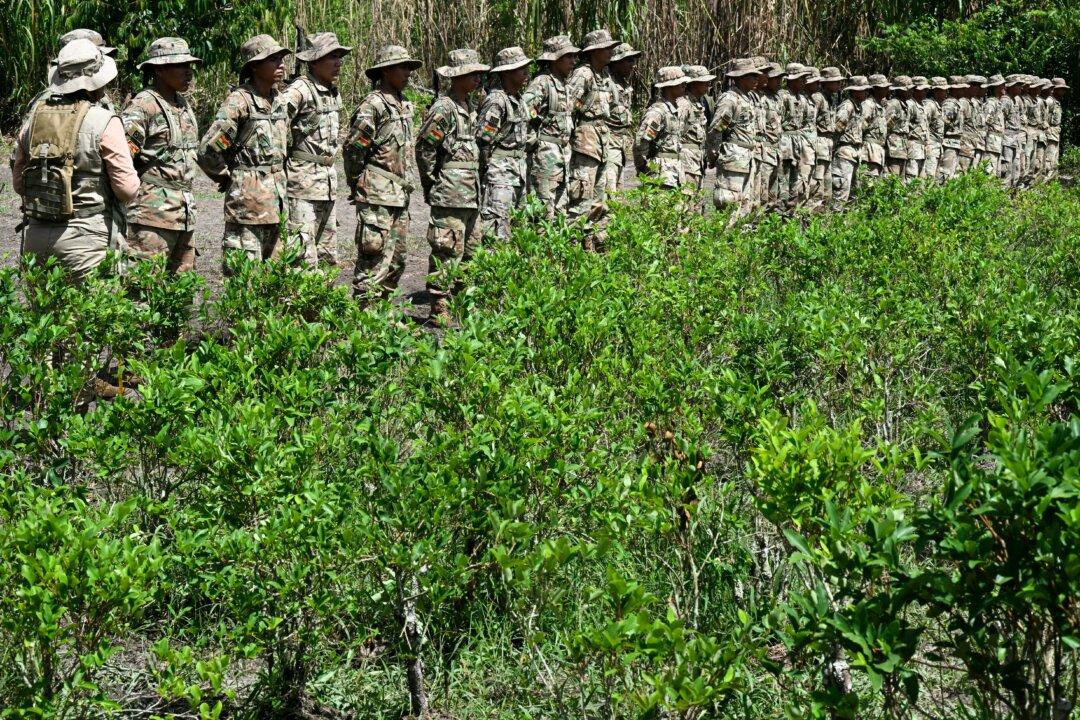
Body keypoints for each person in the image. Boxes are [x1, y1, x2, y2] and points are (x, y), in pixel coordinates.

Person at [13, 39, 138, 284]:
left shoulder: (33, 120)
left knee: (45, 318)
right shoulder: (104, 121)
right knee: (93, 319)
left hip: (36, 237)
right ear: (97, 81)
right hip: (86, 240)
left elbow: (19, 184)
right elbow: (127, 189)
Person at [197, 35, 290, 271]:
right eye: (273, 59)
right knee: (244, 280)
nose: (281, 64)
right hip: (247, 210)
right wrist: (228, 177)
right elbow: (208, 149)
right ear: (255, 66)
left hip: (277, 206)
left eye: (281, 58)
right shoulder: (239, 102)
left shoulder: (279, 100)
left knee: (276, 282)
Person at [416, 49, 488, 322]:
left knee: (471, 251)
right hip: (450, 193)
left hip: (470, 194)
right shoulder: (444, 108)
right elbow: (425, 148)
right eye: (472, 74)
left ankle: (463, 302)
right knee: (446, 250)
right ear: (457, 77)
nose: (478, 78)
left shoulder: (468, 106)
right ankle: (439, 306)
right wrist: (432, 183)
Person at [344, 45, 421, 299]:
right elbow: (354, 149)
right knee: (373, 259)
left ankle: (384, 316)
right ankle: (366, 320)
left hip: (399, 195)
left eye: (409, 67)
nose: (408, 72)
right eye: (403, 67)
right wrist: (357, 182)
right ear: (386, 71)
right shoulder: (373, 105)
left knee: (397, 261)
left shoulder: (403, 105)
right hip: (377, 196)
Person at [121, 37, 202, 272]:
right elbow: (122, 158)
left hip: (184, 216)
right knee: (142, 293)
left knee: (181, 294)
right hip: (150, 218)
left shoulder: (182, 103)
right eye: (181, 66)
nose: (189, 72)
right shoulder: (143, 106)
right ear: (159, 69)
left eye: (190, 66)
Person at [281, 32, 352, 268]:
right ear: (313, 61)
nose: (337, 62)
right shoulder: (298, 91)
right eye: (331, 57)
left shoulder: (332, 91)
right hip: (302, 185)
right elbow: (275, 127)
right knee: (302, 257)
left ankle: (323, 304)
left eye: (339, 56)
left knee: (327, 255)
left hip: (327, 184)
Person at [567, 29, 618, 248]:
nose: (610, 51)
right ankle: (573, 248)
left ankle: (593, 245)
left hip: (602, 140)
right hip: (586, 141)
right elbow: (569, 107)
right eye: (606, 48)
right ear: (594, 51)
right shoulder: (583, 74)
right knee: (582, 197)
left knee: (599, 199)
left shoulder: (604, 76)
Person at [476, 46, 531, 243]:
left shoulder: (517, 98)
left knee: (518, 232)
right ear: (506, 72)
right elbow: (483, 141)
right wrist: (486, 172)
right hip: (499, 176)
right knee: (496, 233)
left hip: (517, 174)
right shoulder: (497, 101)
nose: (525, 72)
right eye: (519, 68)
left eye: (526, 67)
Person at [522, 35, 578, 217]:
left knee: (561, 208)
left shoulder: (564, 84)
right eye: (568, 56)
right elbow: (525, 109)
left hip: (563, 152)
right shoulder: (543, 82)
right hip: (546, 153)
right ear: (555, 60)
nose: (573, 61)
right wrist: (536, 123)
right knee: (543, 208)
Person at [707, 57, 763, 221]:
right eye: (752, 76)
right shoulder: (729, 99)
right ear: (740, 78)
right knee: (729, 205)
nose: (756, 79)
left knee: (745, 206)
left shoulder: (747, 98)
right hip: (733, 159)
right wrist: (715, 154)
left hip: (746, 158)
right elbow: (716, 130)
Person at [633, 66, 686, 189]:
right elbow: (641, 143)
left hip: (674, 173)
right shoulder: (657, 112)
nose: (684, 86)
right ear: (668, 87)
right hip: (660, 175)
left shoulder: (673, 110)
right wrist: (644, 169)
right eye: (680, 83)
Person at [603, 42, 641, 194]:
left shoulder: (624, 85)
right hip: (608, 145)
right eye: (628, 60)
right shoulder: (606, 83)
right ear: (616, 61)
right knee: (608, 192)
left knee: (617, 194)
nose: (633, 65)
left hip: (619, 147)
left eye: (633, 60)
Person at [678, 65, 716, 198]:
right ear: (692, 84)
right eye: (704, 82)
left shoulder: (700, 103)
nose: (708, 85)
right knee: (686, 201)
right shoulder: (683, 104)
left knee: (696, 202)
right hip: (686, 161)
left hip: (697, 159)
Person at [831, 75, 867, 209]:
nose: (865, 93)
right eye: (863, 90)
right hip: (845, 151)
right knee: (841, 191)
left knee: (854, 192)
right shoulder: (847, 106)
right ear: (855, 91)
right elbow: (837, 128)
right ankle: (834, 222)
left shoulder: (859, 107)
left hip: (855, 152)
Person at [809, 67, 841, 205]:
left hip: (828, 144)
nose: (838, 85)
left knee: (827, 186)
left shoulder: (831, 99)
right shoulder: (818, 98)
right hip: (819, 142)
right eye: (835, 82)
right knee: (817, 182)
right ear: (826, 83)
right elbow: (810, 122)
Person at [778, 63, 809, 207]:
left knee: (794, 183)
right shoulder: (783, 96)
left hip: (796, 144)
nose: (804, 82)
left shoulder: (802, 98)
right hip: (784, 144)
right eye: (801, 79)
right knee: (782, 181)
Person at [754, 62, 784, 207]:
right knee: (761, 194)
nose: (779, 82)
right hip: (764, 151)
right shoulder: (758, 98)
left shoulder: (777, 98)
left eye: (780, 78)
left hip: (776, 151)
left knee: (774, 196)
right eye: (775, 78)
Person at [940, 77, 967, 181]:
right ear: (955, 89)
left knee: (952, 175)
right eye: (962, 88)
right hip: (949, 144)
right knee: (945, 175)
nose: (964, 90)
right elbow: (943, 125)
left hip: (954, 143)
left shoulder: (956, 103)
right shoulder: (950, 104)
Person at [863, 74, 889, 179]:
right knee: (868, 183)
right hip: (869, 151)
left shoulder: (880, 106)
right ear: (875, 89)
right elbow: (860, 127)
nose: (887, 89)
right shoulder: (868, 105)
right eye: (883, 88)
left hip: (878, 151)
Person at [885, 76, 911, 178]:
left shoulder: (904, 104)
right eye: (908, 89)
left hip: (901, 148)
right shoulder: (893, 104)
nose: (911, 91)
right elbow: (886, 126)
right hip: (893, 148)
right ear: (900, 91)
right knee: (892, 178)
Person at [1001, 74, 1025, 187]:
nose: (1020, 88)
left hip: (1015, 139)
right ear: (1010, 86)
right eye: (1018, 85)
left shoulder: (1015, 100)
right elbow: (1000, 120)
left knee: (1015, 168)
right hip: (1006, 139)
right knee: (1006, 168)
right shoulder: (1005, 100)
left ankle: (1011, 195)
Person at [922, 77, 947, 182]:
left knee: (935, 180)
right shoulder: (930, 105)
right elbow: (923, 124)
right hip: (930, 147)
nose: (946, 92)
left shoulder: (938, 106)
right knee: (929, 178)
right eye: (943, 90)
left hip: (937, 147)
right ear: (936, 91)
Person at [982, 74, 1006, 178]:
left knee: (995, 174)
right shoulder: (991, 103)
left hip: (996, 144)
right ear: (996, 87)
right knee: (988, 174)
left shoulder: (997, 102)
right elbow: (986, 122)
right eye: (1002, 85)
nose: (1005, 88)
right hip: (991, 144)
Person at [905, 77, 929, 181]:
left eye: (926, 89)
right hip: (913, 147)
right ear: (915, 90)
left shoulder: (922, 105)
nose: (925, 92)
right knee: (911, 178)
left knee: (921, 180)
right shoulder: (910, 104)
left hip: (922, 148)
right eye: (923, 89)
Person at [1047, 78, 1068, 178]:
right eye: (1061, 89)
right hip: (1050, 135)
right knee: (1048, 162)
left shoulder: (1056, 102)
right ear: (1054, 89)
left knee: (1054, 163)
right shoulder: (1049, 101)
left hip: (1055, 134)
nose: (1063, 91)